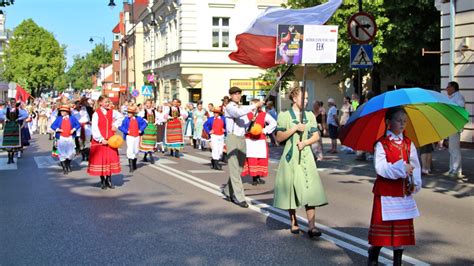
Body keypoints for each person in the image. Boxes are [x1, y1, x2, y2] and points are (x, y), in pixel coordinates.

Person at [368, 106, 422, 266]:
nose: (402, 124)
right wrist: (400, 168)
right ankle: (373, 255)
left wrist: (415, 182)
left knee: (400, 231)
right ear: (388, 122)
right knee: (382, 230)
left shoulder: (408, 143)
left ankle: (397, 261)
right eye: (399, 121)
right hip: (385, 192)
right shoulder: (381, 144)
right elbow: (381, 168)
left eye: (404, 121)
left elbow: (415, 165)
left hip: (403, 193)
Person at [273, 86, 328, 237]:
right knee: (292, 189)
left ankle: (312, 226)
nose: (306, 100)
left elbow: (316, 136)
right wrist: (295, 128)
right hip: (291, 157)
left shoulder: (309, 115)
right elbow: (279, 137)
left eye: (307, 98)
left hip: (306, 156)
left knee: (310, 189)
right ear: (294, 98)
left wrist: (306, 142)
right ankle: (293, 221)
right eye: (303, 98)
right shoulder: (284, 115)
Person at [221, 87, 264, 208]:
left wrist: (252, 120)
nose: (238, 96)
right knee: (234, 169)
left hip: (241, 138)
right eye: (235, 94)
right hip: (232, 138)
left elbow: (244, 125)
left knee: (239, 169)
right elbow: (238, 113)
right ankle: (239, 197)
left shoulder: (241, 107)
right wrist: (255, 105)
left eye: (239, 94)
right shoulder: (229, 107)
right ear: (230, 96)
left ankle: (228, 191)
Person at [87, 95, 124, 190]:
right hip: (100, 141)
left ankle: (109, 179)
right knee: (101, 161)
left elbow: (121, 117)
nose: (108, 104)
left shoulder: (112, 112)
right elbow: (94, 128)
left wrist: (115, 125)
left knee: (110, 160)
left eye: (108, 102)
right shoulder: (96, 114)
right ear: (100, 103)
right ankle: (103, 180)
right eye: (106, 102)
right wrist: (100, 138)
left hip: (111, 140)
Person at [242, 99, 277, 185]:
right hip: (250, 139)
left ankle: (258, 176)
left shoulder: (264, 114)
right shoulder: (247, 115)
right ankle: (254, 177)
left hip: (260, 139)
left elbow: (273, 122)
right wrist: (248, 128)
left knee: (260, 158)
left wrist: (265, 130)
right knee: (252, 158)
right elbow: (244, 126)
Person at [51, 105, 81, 174]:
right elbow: (52, 126)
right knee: (62, 153)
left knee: (71, 152)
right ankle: (64, 168)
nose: (62, 112)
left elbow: (78, 124)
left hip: (70, 137)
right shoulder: (59, 118)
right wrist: (58, 129)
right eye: (61, 111)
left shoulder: (72, 118)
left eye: (63, 111)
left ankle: (68, 164)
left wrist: (73, 129)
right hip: (61, 138)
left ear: (67, 112)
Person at [445, 81, 465, 179]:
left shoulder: (459, 97)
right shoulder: (452, 97)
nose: (446, 89)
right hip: (450, 125)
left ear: (453, 88)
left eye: (448, 87)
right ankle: (452, 168)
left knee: (455, 149)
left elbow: (460, 109)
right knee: (451, 149)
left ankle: (457, 170)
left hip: (455, 126)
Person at [119, 105, 147, 173]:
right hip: (129, 136)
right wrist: (126, 131)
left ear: (134, 113)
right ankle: (131, 166)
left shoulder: (138, 118)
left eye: (130, 113)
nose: (128, 114)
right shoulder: (126, 119)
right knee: (130, 150)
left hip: (137, 136)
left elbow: (145, 124)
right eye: (128, 112)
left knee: (136, 150)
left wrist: (140, 130)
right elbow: (120, 127)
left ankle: (134, 164)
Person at [0, 99, 28, 164]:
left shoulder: (18, 110)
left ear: (15, 103)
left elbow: (26, 115)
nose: (13, 103)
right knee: (8, 144)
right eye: (12, 102)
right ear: (10, 103)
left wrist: (18, 118)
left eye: (14, 102)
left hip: (15, 127)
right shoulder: (6, 109)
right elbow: (0, 114)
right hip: (8, 127)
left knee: (13, 144)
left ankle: (12, 159)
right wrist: (5, 118)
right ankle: (9, 159)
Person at [138, 99, 159, 164]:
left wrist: (156, 122)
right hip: (146, 128)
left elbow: (159, 117)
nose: (148, 105)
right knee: (146, 142)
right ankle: (150, 155)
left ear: (151, 104)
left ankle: (145, 156)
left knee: (151, 143)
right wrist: (144, 121)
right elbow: (139, 118)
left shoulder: (154, 111)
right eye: (146, 103)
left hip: (152, 128)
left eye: (149, 103)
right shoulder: (143, 111)